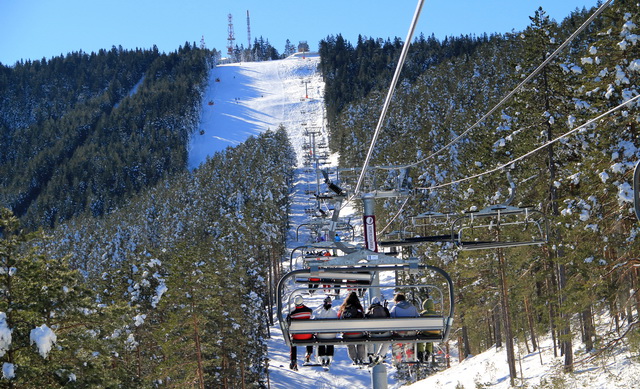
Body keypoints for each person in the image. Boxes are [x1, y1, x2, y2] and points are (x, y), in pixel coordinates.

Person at [389, 293, 419, 366]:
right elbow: (418, 318)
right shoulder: (413, 307)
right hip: (411, 332)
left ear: (396, 300)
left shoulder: (395, 308)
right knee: (410, 342)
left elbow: (391, 319)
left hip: (400, 332)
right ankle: (410, 358)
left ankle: (397, 359)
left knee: (396, 344)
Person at [337, 291, 367, 365]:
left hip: (347, 333)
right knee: (361, 343)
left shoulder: (344, 308)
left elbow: (338, 317)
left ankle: (354, 359)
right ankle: (361, 359)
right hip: (359, 333)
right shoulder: (359, 308)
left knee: (350, 345)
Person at [287, 295, 313, 370]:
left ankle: (293, 360)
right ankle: (309, 352)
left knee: (293, 343)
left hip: (297, 336)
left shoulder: (292, 314)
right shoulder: (308, 311)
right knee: (310, 334)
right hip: (308, 336)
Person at [313, 296, 339, 367]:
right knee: (330, 338)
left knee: (321, 338)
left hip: (321, 335)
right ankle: (329, 356)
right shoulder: (334, 313)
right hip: (332, 335)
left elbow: (314, 321)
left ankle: (322, 357)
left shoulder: (320, 312)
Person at [365, 296, 390, 365]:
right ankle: (381, 355)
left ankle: (371, 354)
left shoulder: (369, 311)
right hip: (385, 332)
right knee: (387, 342)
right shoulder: (384, 309)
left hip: (374, 333)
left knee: (369, 340)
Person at [417, 296, 437, 363]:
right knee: (430, 340)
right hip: (436, 332)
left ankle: (420, 353)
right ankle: (428, 352)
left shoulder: (423, 313)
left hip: (426, 332)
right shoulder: (436, 314)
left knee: (420, 338)